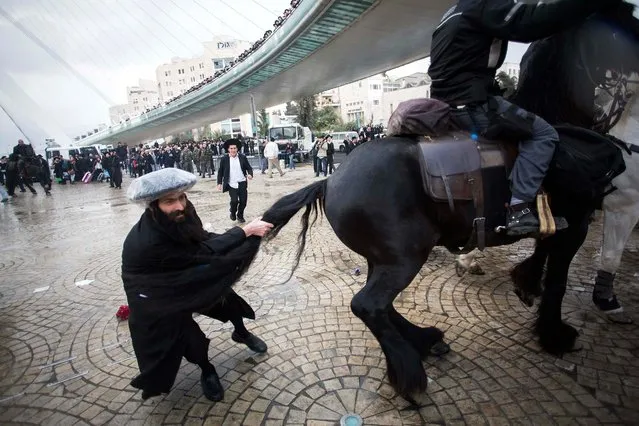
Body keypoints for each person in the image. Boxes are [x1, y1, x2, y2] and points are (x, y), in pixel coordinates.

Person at [427, 0, 619, 236]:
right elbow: (533, 22)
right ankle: (518, 209)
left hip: (445, 105)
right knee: (543, 134)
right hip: (472, 105)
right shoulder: (484, 6)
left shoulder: (452, 13)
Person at [122, 167, 273, 402]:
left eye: (182, 197)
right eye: (170, 201)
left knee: (226, 299)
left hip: (183, 273)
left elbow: (201, 238)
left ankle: (241, 332)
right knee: (191, 341)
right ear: (153, 205)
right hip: (157, 294)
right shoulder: (149, 241)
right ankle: (207, 369)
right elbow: (202, 252)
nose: (180, 206)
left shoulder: (184, 214)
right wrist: (243, 232)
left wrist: (239, 236)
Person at [217, 139, 254, 223]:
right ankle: (232, 212)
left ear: (237, 149)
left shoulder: (242, 157)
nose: (233, 150)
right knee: (234, 201)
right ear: (228, 149)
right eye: (231, 148)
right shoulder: (224, 159)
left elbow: (249, 168)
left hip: (242, 182)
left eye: (234, 148)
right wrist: (219, 183)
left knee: (243, 202)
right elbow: (220, 172)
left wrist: (250, 174)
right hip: (231, 184)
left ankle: (240, 215)